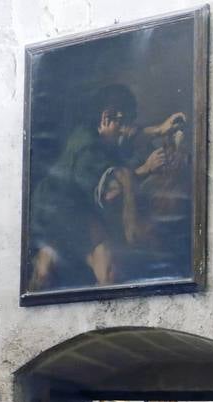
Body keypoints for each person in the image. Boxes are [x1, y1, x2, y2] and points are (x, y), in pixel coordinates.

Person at [26, 83, 185, 291]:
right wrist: (146, 168)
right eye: (126, 121)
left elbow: (130, 134)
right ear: (107, 118)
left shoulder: (103, 134)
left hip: (76, 214)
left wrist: (159, 129)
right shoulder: (87, 148)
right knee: (57, 273)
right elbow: (110, 191)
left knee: (106, 271)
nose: (129, 129)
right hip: (59, 215)